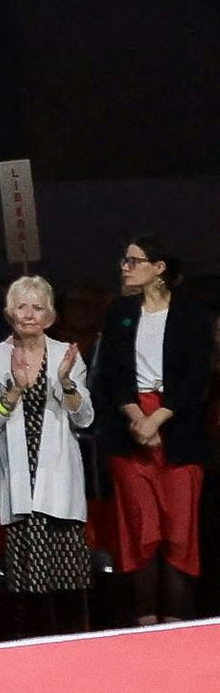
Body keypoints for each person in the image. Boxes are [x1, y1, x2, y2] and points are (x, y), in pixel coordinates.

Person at [98, 239, 209, 624]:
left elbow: (197, 379)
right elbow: (110, 374)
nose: (125, 267)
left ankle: (178, 625)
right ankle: (144, 624)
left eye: (133, 260)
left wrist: (158, 419)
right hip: (130, 432)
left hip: (178, 428)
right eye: (124, 259)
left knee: (179, 533)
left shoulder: (192, 314)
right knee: (141, 530)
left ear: (158, 267)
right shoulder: (120, 313)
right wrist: (137, 419)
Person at [0, 275, 95, 640]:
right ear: (9, 312)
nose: (29, 315)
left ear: (51, 315)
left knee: (68, 585)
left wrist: (66, 382)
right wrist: (13, 389)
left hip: (59, 480)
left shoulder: (67, 355)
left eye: (38, 307)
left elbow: (85, 418)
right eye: (22, 306)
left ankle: (77, 653)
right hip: (18, 482)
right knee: (26, 590)